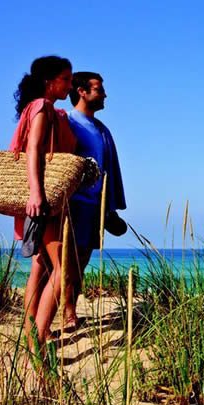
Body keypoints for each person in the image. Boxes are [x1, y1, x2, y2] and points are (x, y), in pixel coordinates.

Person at [9, 56, 76, 352]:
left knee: (40, 267)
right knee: (63, 269)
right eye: (66, 79)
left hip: (39, 199)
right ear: (50, 82)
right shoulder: (42, 108)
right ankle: (37, 344)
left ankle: (32, 336)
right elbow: (34, 148)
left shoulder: (39, 108)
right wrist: (37, 193)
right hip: (43, 199)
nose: (70, 84)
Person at [62, 71, 127, 325]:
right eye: (99, 89)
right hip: (71, 203)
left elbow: (109, 170)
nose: (104, 95)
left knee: (82, 262)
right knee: (65, 261)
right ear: (82, 91)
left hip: (95, 205)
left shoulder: (102, 130)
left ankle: (70, 310)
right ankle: (65, 313)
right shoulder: (67, 121)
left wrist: (110, 209)